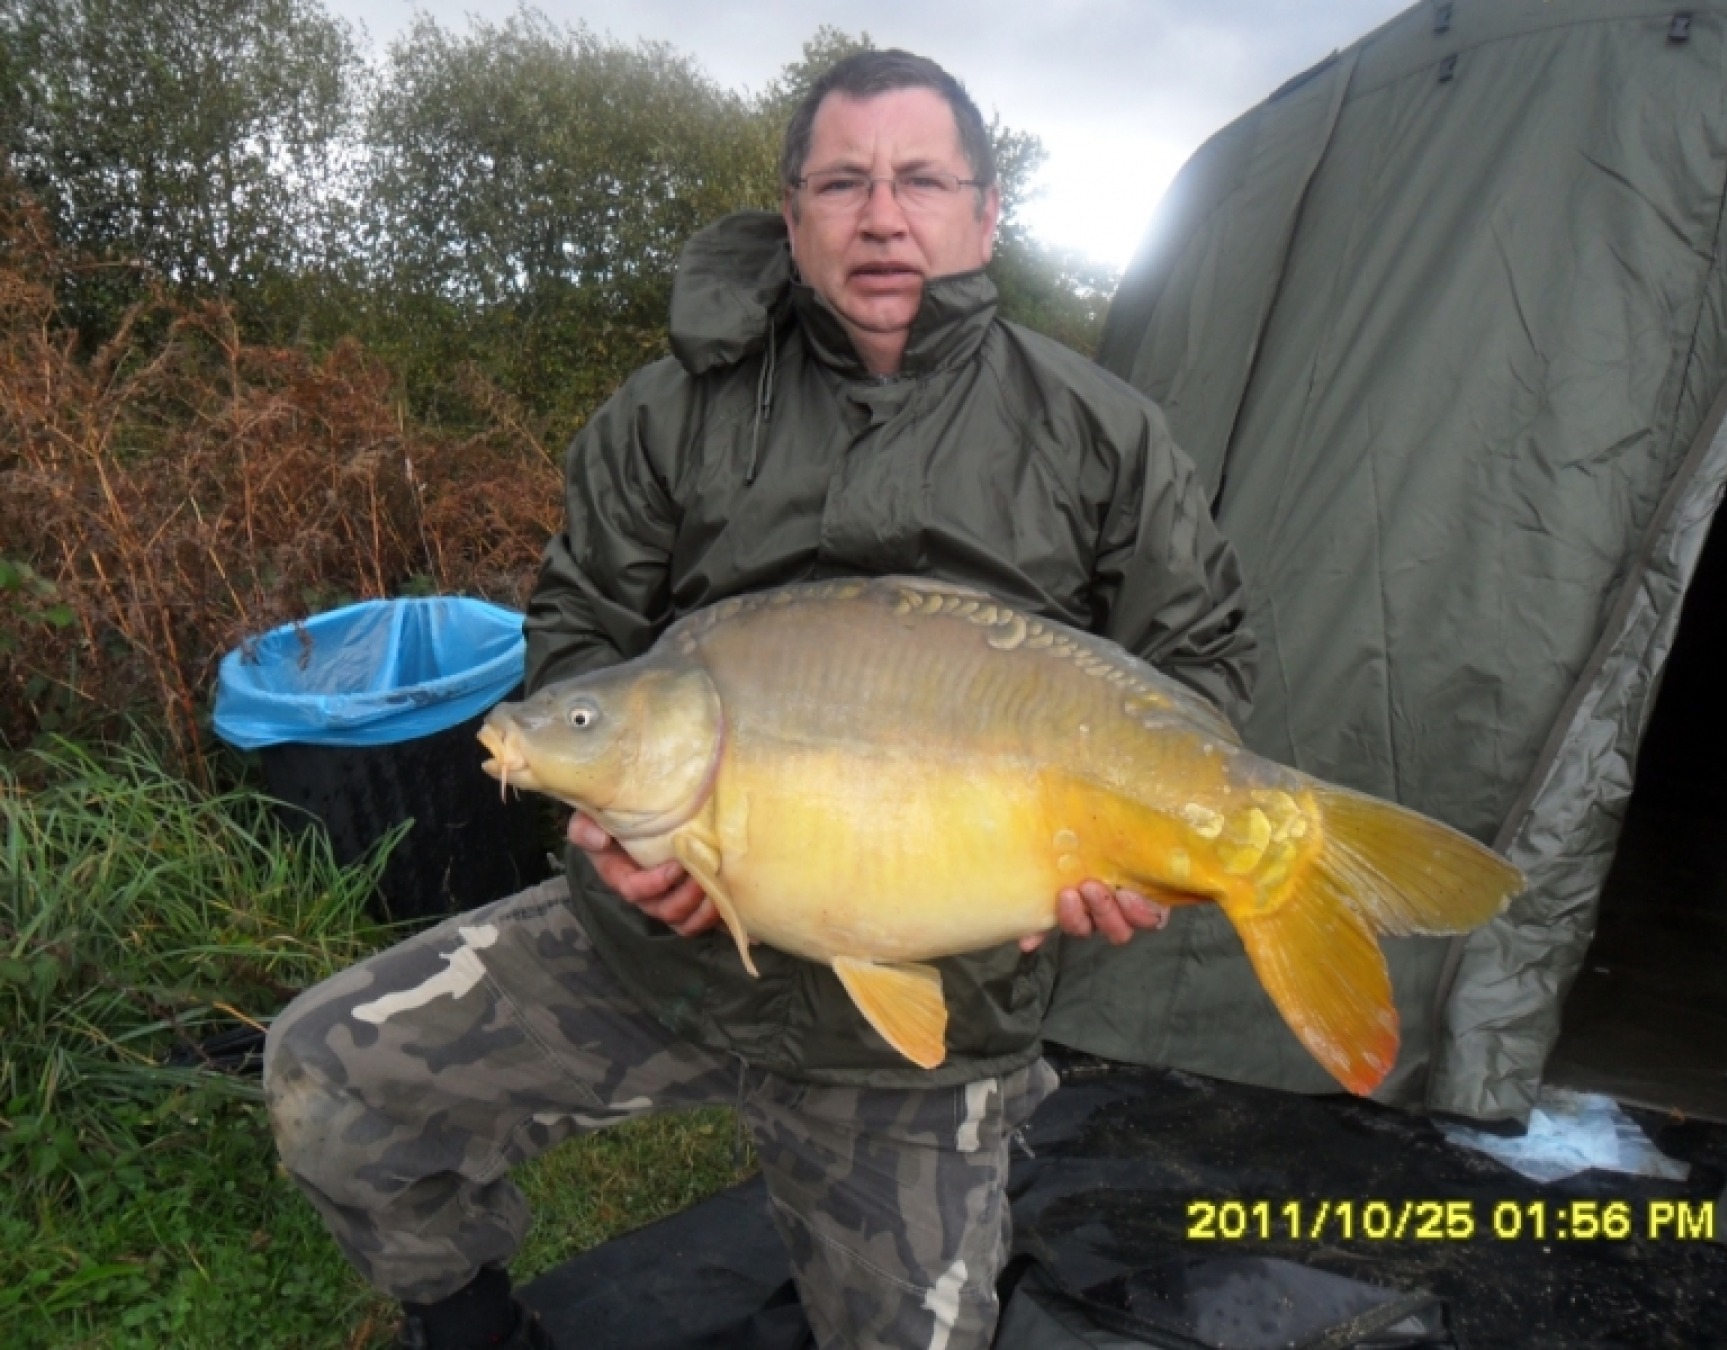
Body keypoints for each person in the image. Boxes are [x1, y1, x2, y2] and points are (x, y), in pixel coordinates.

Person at [264, 49, 1255, 1350]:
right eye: (843, 183)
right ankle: (473, 1330)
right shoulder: (668, 415)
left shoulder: (1101, 434)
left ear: (986, 212)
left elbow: (1200, 665)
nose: (882, 216)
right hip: (660, 951)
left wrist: (1143, 854)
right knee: (328, 1075)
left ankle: (946, 1158)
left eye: (921, 180)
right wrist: (610, 835)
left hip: (929, 1010)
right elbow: (577, 638)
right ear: (792, 215)